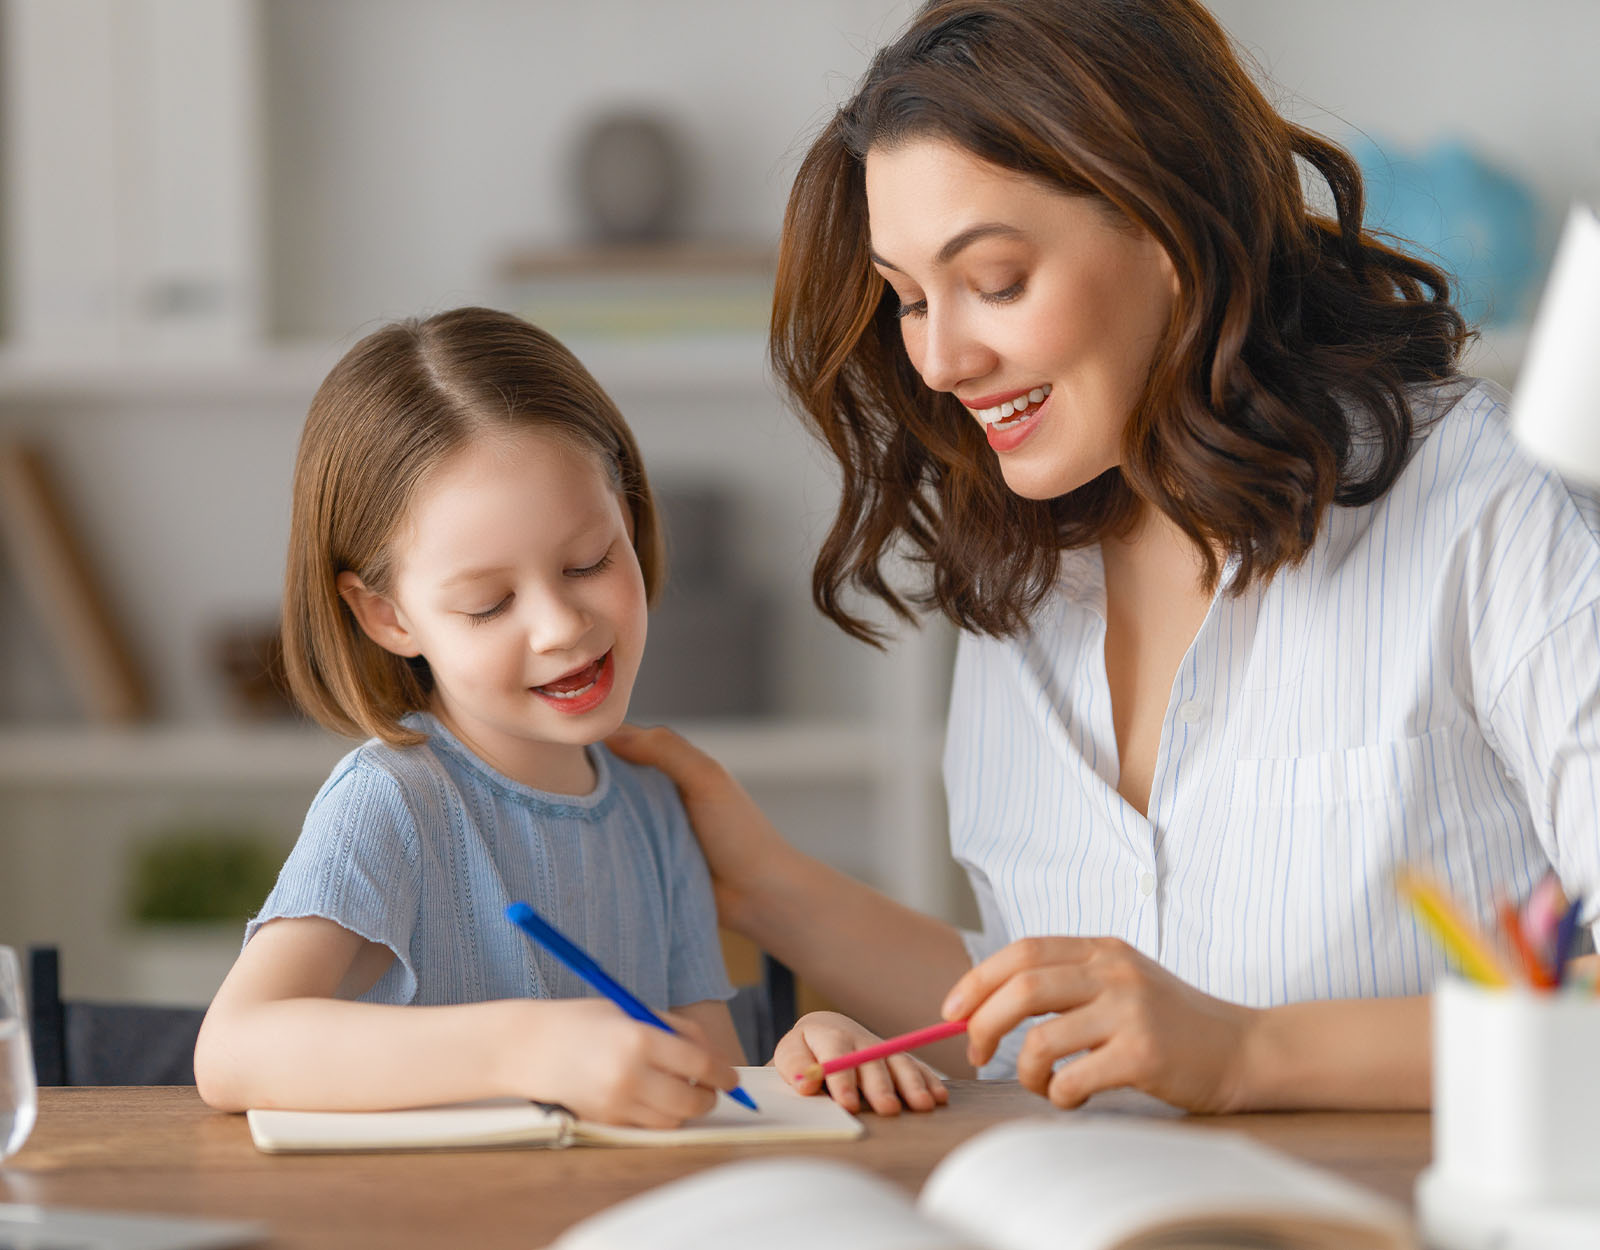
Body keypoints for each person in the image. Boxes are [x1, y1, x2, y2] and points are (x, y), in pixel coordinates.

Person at [610, 0, 1600, 1116]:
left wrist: (1249, 1053)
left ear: (1169, 232)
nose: (939, 358)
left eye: (993, 280)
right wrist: (772, 897)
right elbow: (1079, 1009)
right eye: (908, 299)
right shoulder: (1022, 577)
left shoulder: (1486, 506)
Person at [194, 307, 746, 1126]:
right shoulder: (395, 801)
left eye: (589, 561)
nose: (561, 627)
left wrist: (807, 1061)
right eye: (489, 605)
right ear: (387, 616)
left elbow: (715, 1077)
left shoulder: (655, 809)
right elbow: (233, 1051)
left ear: (629, 512)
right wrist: (525, 1048)